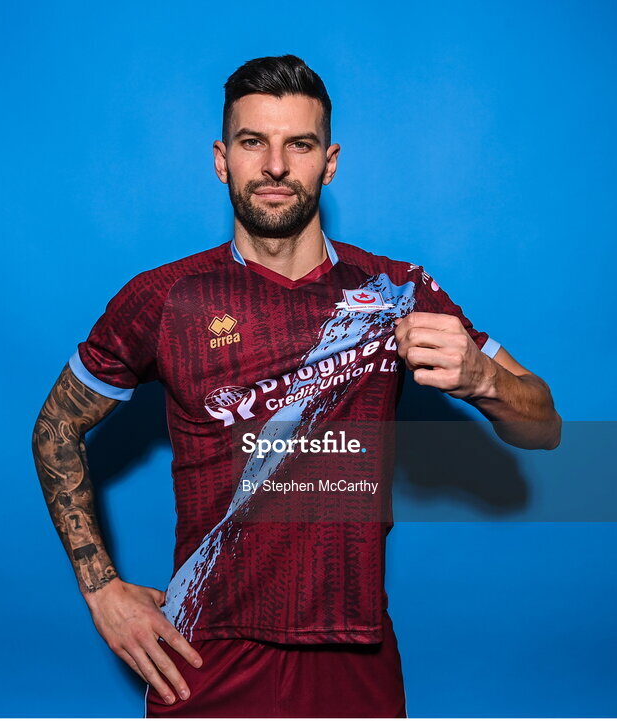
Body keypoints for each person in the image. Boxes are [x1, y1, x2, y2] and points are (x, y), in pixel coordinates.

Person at [32, 54, 561, 718]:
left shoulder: (395, 290)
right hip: (205, 653)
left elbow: (545, 425)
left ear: (329, 163)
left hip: (353, 650)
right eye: (254, 142)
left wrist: (483, 378)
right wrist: (102, 591)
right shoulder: (165, 298)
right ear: (222, 160)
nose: (276, 165)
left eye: (300, 145)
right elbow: (55, 426)